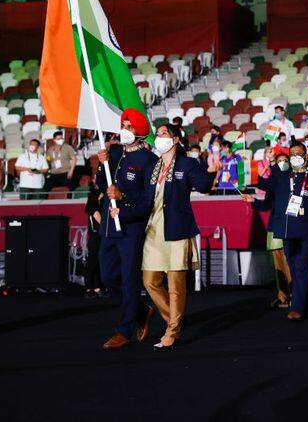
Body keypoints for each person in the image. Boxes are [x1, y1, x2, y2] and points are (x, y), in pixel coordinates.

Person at [111, 123, 217, 350]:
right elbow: (145, 203)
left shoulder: (187, 164)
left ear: (175, 140)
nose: (159, 137)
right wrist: (123, 210)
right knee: (149, 282)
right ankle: (174, 321)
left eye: (164, 134)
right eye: (157, 134)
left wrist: (211, 171)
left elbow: (203, 185)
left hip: (177, 231)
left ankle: (172, 332)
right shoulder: (153, 168)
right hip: (155, 232)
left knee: (175, 286)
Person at [243, 142, 308, 320]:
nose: (294, 156)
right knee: (295, 269)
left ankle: (297, 308)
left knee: (301, 265)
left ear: (305, 155)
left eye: (298, 153)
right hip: (287, 230)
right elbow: (264, 184)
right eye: (291, 153)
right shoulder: (282, 176)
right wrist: (253, 177)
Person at [96, 108, 159, 349]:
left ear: (141, 132)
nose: (125, 130)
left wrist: (124, 197)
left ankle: (125, 329)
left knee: (129, 279)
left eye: (130, 127)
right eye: (124, 125)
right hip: (109, 226)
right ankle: (141, 310)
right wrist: (102, 165)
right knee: (108, 275)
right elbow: (101, 184)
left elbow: (147, 200)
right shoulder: (114, 154)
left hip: (131, 227)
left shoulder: (150, 161)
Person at [253, 150, 293, 308]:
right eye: (280, 160)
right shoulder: (273, 181)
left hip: (289, 227)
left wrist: (270, 166)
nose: (282, 163)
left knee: (289, 263)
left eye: (285, 160)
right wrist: (252, 201)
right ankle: (282, 295)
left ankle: (294, 295)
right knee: (278, 266)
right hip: (274, 226)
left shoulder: (292, 180)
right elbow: (266, 204)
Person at [84, 188, 105, 299]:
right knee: (92, 264)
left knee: (97, 263)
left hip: (96, 238)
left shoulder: (93, 208)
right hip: (95, 239)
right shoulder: (94, 209)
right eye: (101, 197)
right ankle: (88, 288)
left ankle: (97, 288)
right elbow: (101, 222)